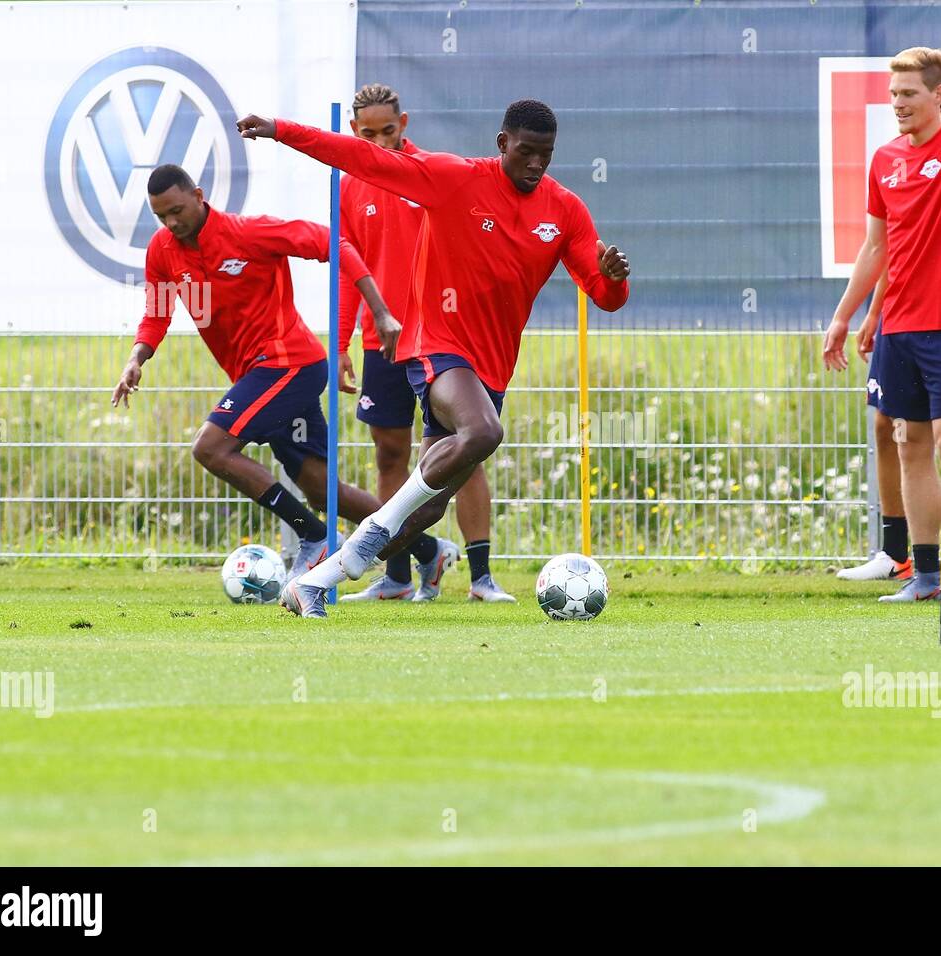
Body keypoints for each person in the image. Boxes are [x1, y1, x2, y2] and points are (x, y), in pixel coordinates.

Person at [236, 100, 631, 618]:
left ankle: (315, 581)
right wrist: (283, 131)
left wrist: (616, 279)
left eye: (546, 155)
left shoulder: (565, 210)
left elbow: (602, 294)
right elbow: (362, 159)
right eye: (527, 152)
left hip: (492, 365)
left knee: (427, 508)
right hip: (435, 345)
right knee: (485, 432)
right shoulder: (454, 179)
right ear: (502, 144)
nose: (536, 164)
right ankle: (364, 551)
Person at [110, 164, 398, 575]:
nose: (171, 223)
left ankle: (314, 536)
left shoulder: (249, 233)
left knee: (210, 447)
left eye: (177, 210)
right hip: (257, 376)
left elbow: (336, 243)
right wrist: (136, 358)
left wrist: (380, 312)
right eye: (161, 216)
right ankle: (427, 550)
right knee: (322, 489)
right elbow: (156, 315)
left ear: (199, 194)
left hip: (289, 363)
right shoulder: (162, 251)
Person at [823, 47, 941, 603]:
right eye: (893, 94)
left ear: (940, 95)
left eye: (909, 93)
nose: (898, 103)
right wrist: (845, 316)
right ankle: (924, 575)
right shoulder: (884, 160)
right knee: (908, 446)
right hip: (898, 327)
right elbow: (876, 246)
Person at [335, 83, 513, 603]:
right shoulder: (348, 189)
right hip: (381, 343)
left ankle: (480, 578)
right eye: (368, 134)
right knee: (390, 456)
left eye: (388, 131)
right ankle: (395, 578)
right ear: (353, 133)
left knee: (464, 450)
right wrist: (341, 341)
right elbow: (348, 268)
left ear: (404, 123)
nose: (380, 142)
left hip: (439, 339)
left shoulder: (432, 174)